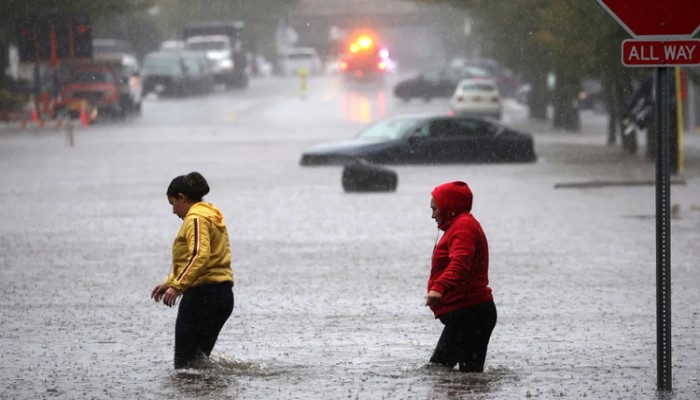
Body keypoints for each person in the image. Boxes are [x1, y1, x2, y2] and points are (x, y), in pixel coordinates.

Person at [151, 172, 234, 369]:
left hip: (202, 297)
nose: (173, 211)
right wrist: (170, 282)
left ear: (182, 197)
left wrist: (177, 287)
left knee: (183, 366)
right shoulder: (211, 215)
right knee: (198, 364)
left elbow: (199, 255)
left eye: (172, 204)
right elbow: (200, 258)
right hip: (222, 297)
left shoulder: (195, 218)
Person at [425, 181, 497, 372]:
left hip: (472, 313)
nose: (432, 215)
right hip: (466, 314)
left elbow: (460, 263)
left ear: (448, 206)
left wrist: (438, 288)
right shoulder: (458, 226)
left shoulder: (463, 227)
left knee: (468, 378)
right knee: (439, 371)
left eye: (435, 209)